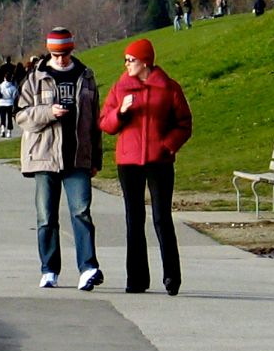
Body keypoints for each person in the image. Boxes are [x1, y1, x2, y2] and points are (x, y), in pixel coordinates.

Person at [99, 38, 193, 295]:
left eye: (131, 60)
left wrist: (168, 145)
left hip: (159, 162)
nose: (126, 64)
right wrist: (120, 112)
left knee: (162, 218)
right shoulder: (120, 88)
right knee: (134, 218)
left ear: (145, 62)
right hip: (128, 162)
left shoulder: (169, 88)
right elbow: (105, 123)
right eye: (126, 60)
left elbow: (184, 123)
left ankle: (172, 277)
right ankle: (137, 278)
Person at [17, 27, 103, 289]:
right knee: (46, 217)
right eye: (56, 54)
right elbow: (21, 116)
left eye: (65, 53)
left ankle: (88, 268)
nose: (61, 59)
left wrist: (96, 159)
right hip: (44, 156)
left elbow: (94, 122)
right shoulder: (35, 78)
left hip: (78, 157)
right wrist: (48, 112)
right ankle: (49, 269)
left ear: (72, 50)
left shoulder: (86, 76)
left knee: (82, 212)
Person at [0, 72, 19, 138]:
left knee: (2, 118)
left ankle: (2, 130)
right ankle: (9, 132)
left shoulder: (0, 86)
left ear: (4, 78)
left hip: (1, 104)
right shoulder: (13, 88)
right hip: (10, 104)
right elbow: (15, 96)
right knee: (9, 118)